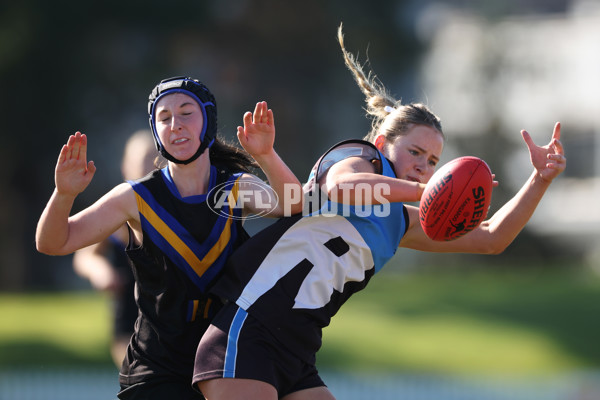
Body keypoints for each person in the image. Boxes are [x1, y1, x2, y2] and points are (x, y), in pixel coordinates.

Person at [192, 25, 566, 400]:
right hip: (249, 329)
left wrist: (540, 179)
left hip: (297, 350)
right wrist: (428, 191)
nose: (423, 165)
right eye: (415, 152)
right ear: (383, 142)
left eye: (433, 161)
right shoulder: (360, 160)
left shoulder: (399, 222)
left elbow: (490, 239)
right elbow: (343, 188)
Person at [36, 76, 303, 400]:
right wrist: (63, 194)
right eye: (164, 118)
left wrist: (266, 155)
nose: (175, 125)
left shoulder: (235, 187)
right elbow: (52, 243)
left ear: (209, 120)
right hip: (157, 371)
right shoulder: (133, 197)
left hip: (223, 362)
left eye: (186, 113)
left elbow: (293, 203)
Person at [72, 130, 156, 368]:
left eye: (156, 162)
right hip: (129, 321)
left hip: (170, 316)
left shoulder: (174, 212)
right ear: (126, 168)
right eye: (142, 162)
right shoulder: (115, 215)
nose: (149, 168)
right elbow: (85, 256)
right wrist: (101, 272)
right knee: (139, 377)